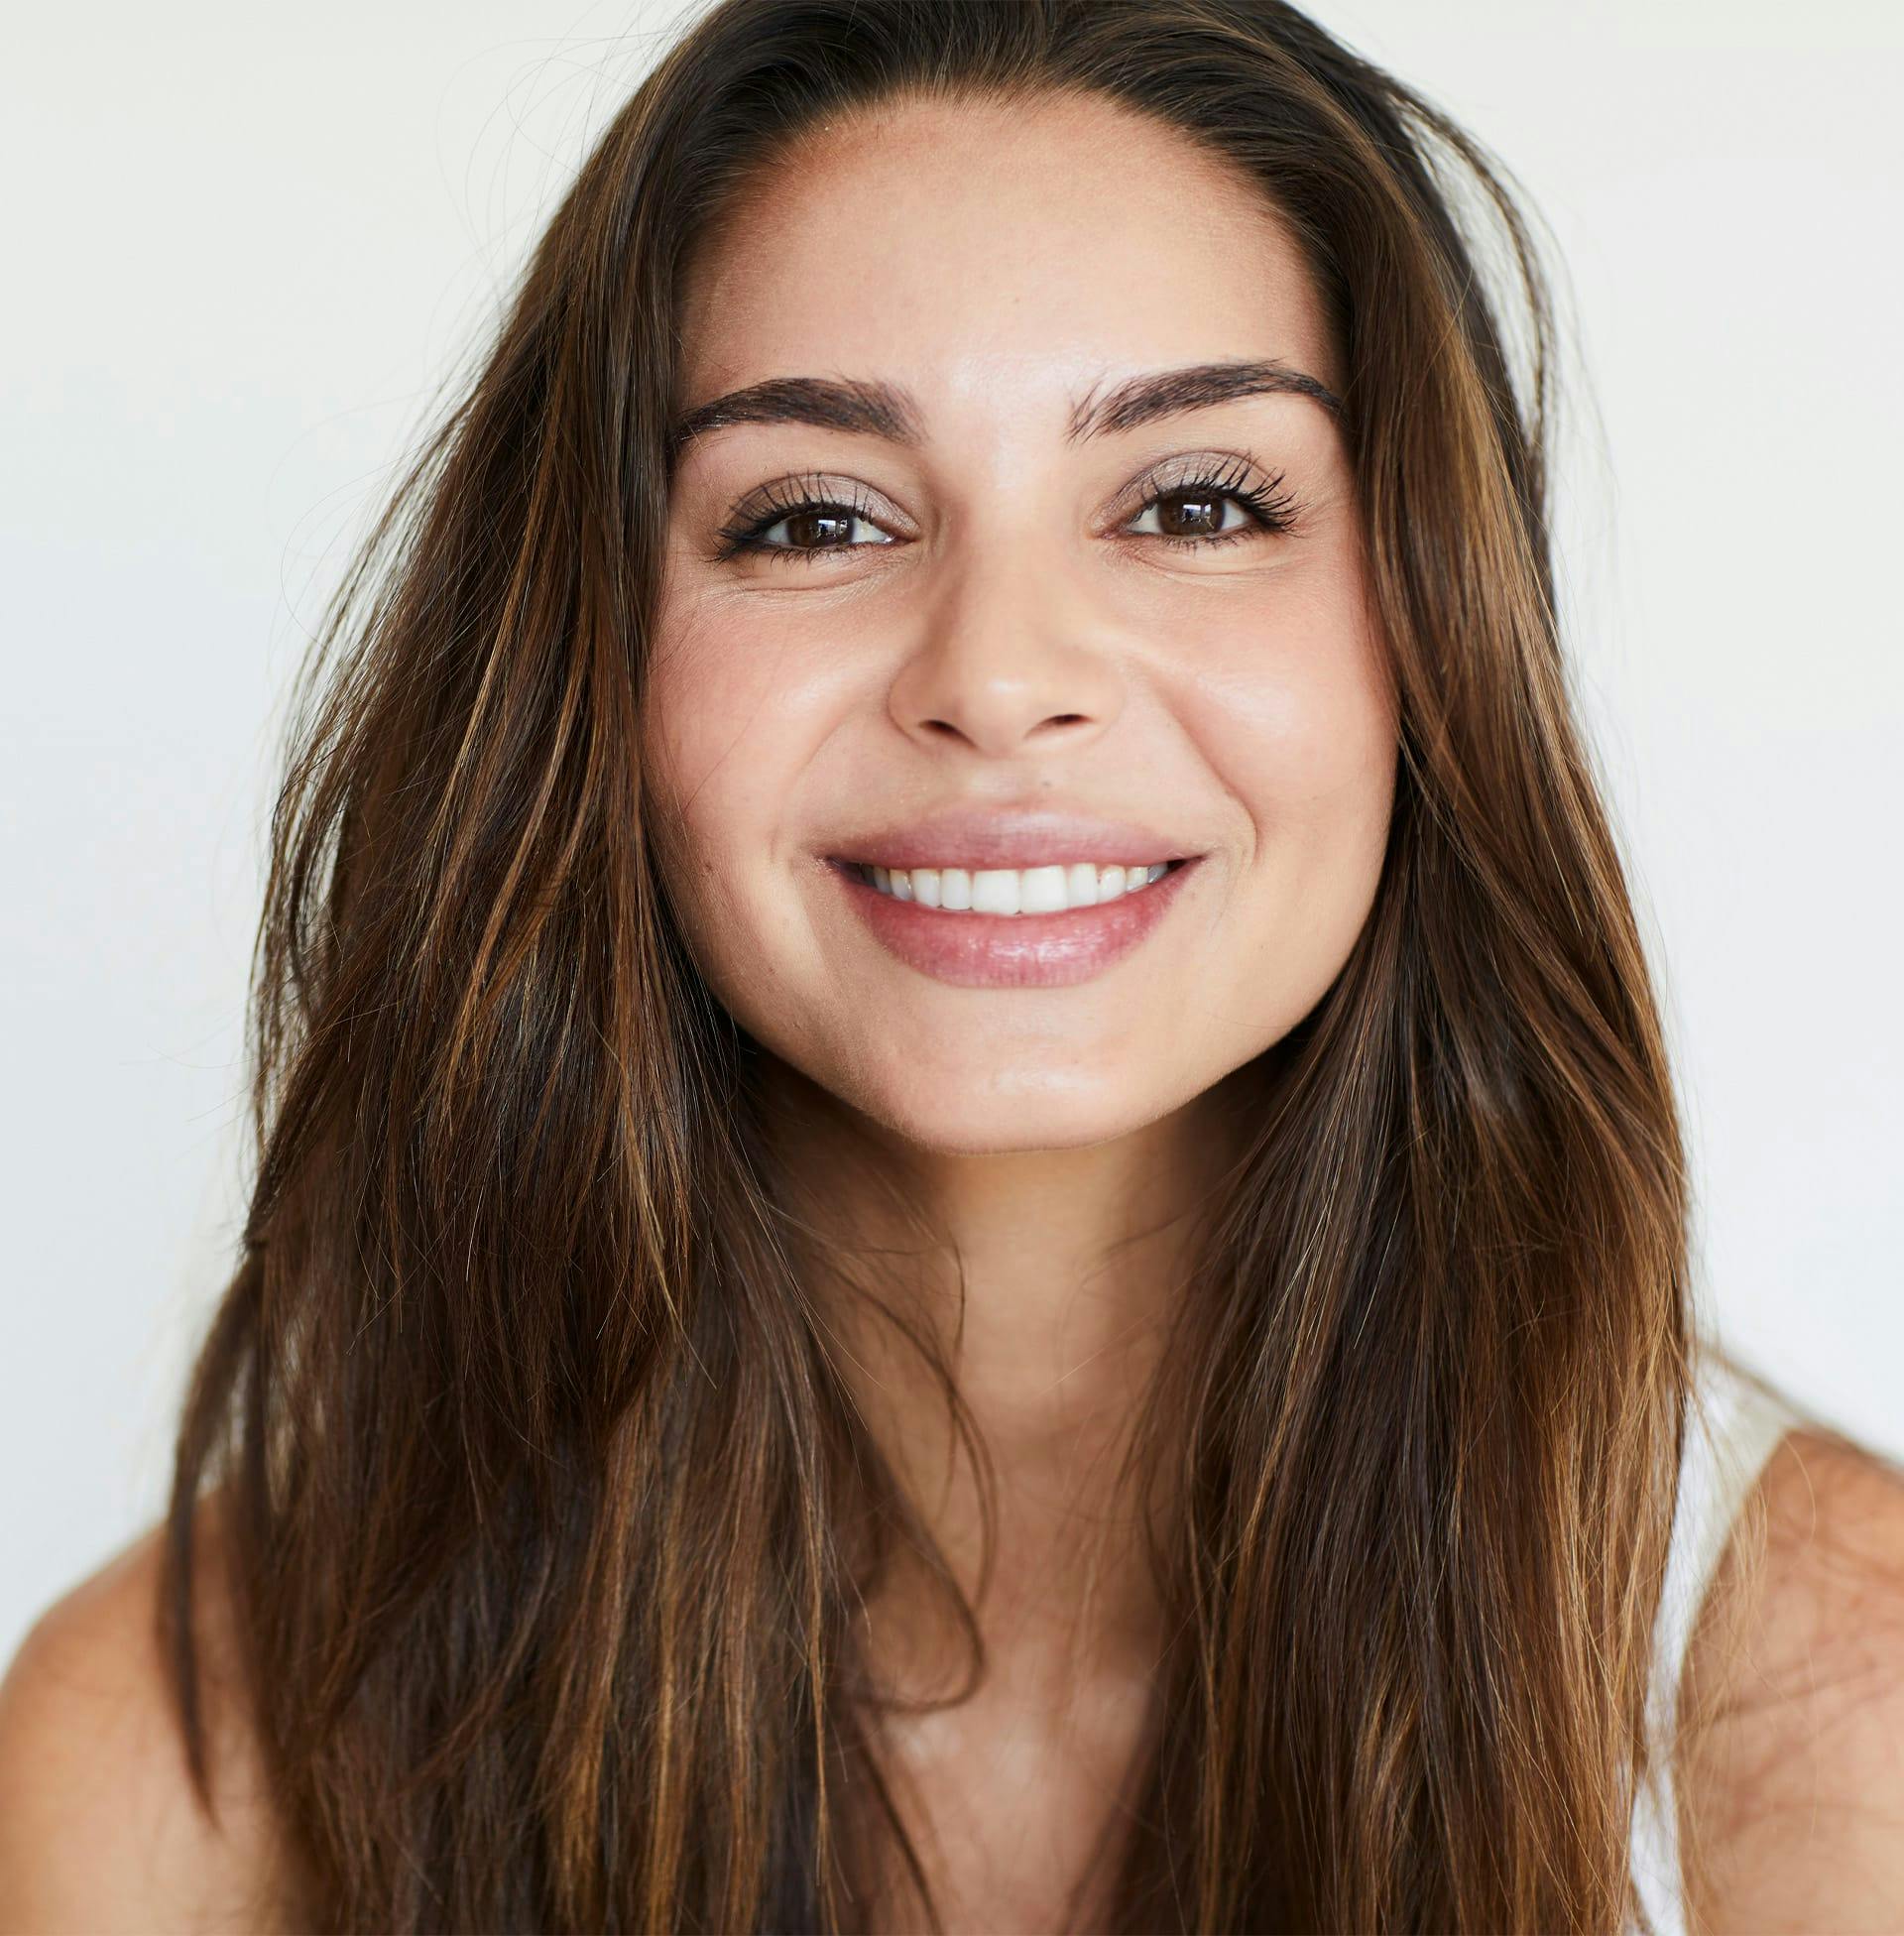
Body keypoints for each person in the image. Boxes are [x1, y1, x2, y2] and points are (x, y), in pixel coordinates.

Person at [2, 0, 1901, 1929]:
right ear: (593, 669)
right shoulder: (174, 1768)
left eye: (1193, 502)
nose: (998, 680)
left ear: (1430, 639)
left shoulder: (1842, 1713)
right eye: (818, 516)